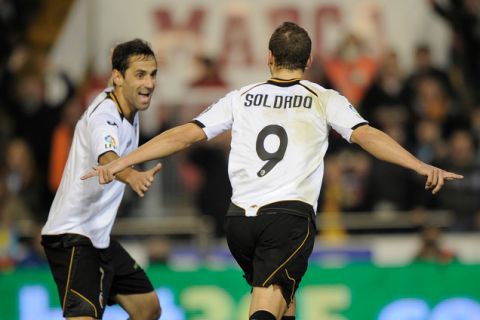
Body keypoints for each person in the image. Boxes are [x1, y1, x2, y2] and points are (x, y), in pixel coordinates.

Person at [82, 23, 463, 320]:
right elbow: (369, 138)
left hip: (238, 222)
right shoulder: (322, 98)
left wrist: (123, 160)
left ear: (269, 58)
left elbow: (185, 135)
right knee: (268, 295)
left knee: (286, 295)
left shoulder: (241, 96)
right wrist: (419, 163)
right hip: (287, 217)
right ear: (309, 62)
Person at [41, 39, 162, 320]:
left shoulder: (127, 104)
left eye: (153, 74)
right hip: (73, 235)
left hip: (98, 237)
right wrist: (131, 176)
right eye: (140, 75)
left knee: (148, 309)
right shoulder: (104, 115)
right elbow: (107, 157)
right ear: (118, 77)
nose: (150, 83)